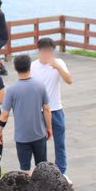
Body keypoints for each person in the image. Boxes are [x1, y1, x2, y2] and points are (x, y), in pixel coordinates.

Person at [0, 55, 52, 172]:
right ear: (29, 67)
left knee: (25, 168)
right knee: (42, 167)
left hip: (22, 137)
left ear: (16, 69)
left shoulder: (11, 90)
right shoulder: (40, 86)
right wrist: (49, 128)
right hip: (39, 134)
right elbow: (46, 109)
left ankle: (27, 189)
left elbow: (5, 114)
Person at [30, 37, 73, 179]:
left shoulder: (58, 63)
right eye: (45, 51)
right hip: (38, 111)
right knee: (40, 144)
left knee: (60, 143)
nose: (47, 54)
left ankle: (62, 172)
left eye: (50, 51)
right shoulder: (33, 66)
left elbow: (69, 80)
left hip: (56, 109)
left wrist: (58, 68)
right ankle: (42, 173)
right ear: (39, 51)